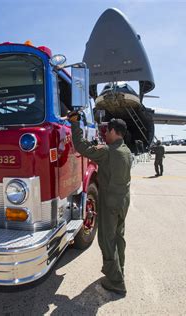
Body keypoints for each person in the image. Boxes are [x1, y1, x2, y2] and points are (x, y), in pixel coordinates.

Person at [68, 112, 131, 295]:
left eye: (107, 131)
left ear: (113, 130)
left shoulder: (107, 152)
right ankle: (119, 270)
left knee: (106, 240)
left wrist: (75, 123)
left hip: (110, 202)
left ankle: (115, 281)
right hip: (123, 201)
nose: (105, 134)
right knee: (119, 237)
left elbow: (80, 146)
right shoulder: (126, 150)